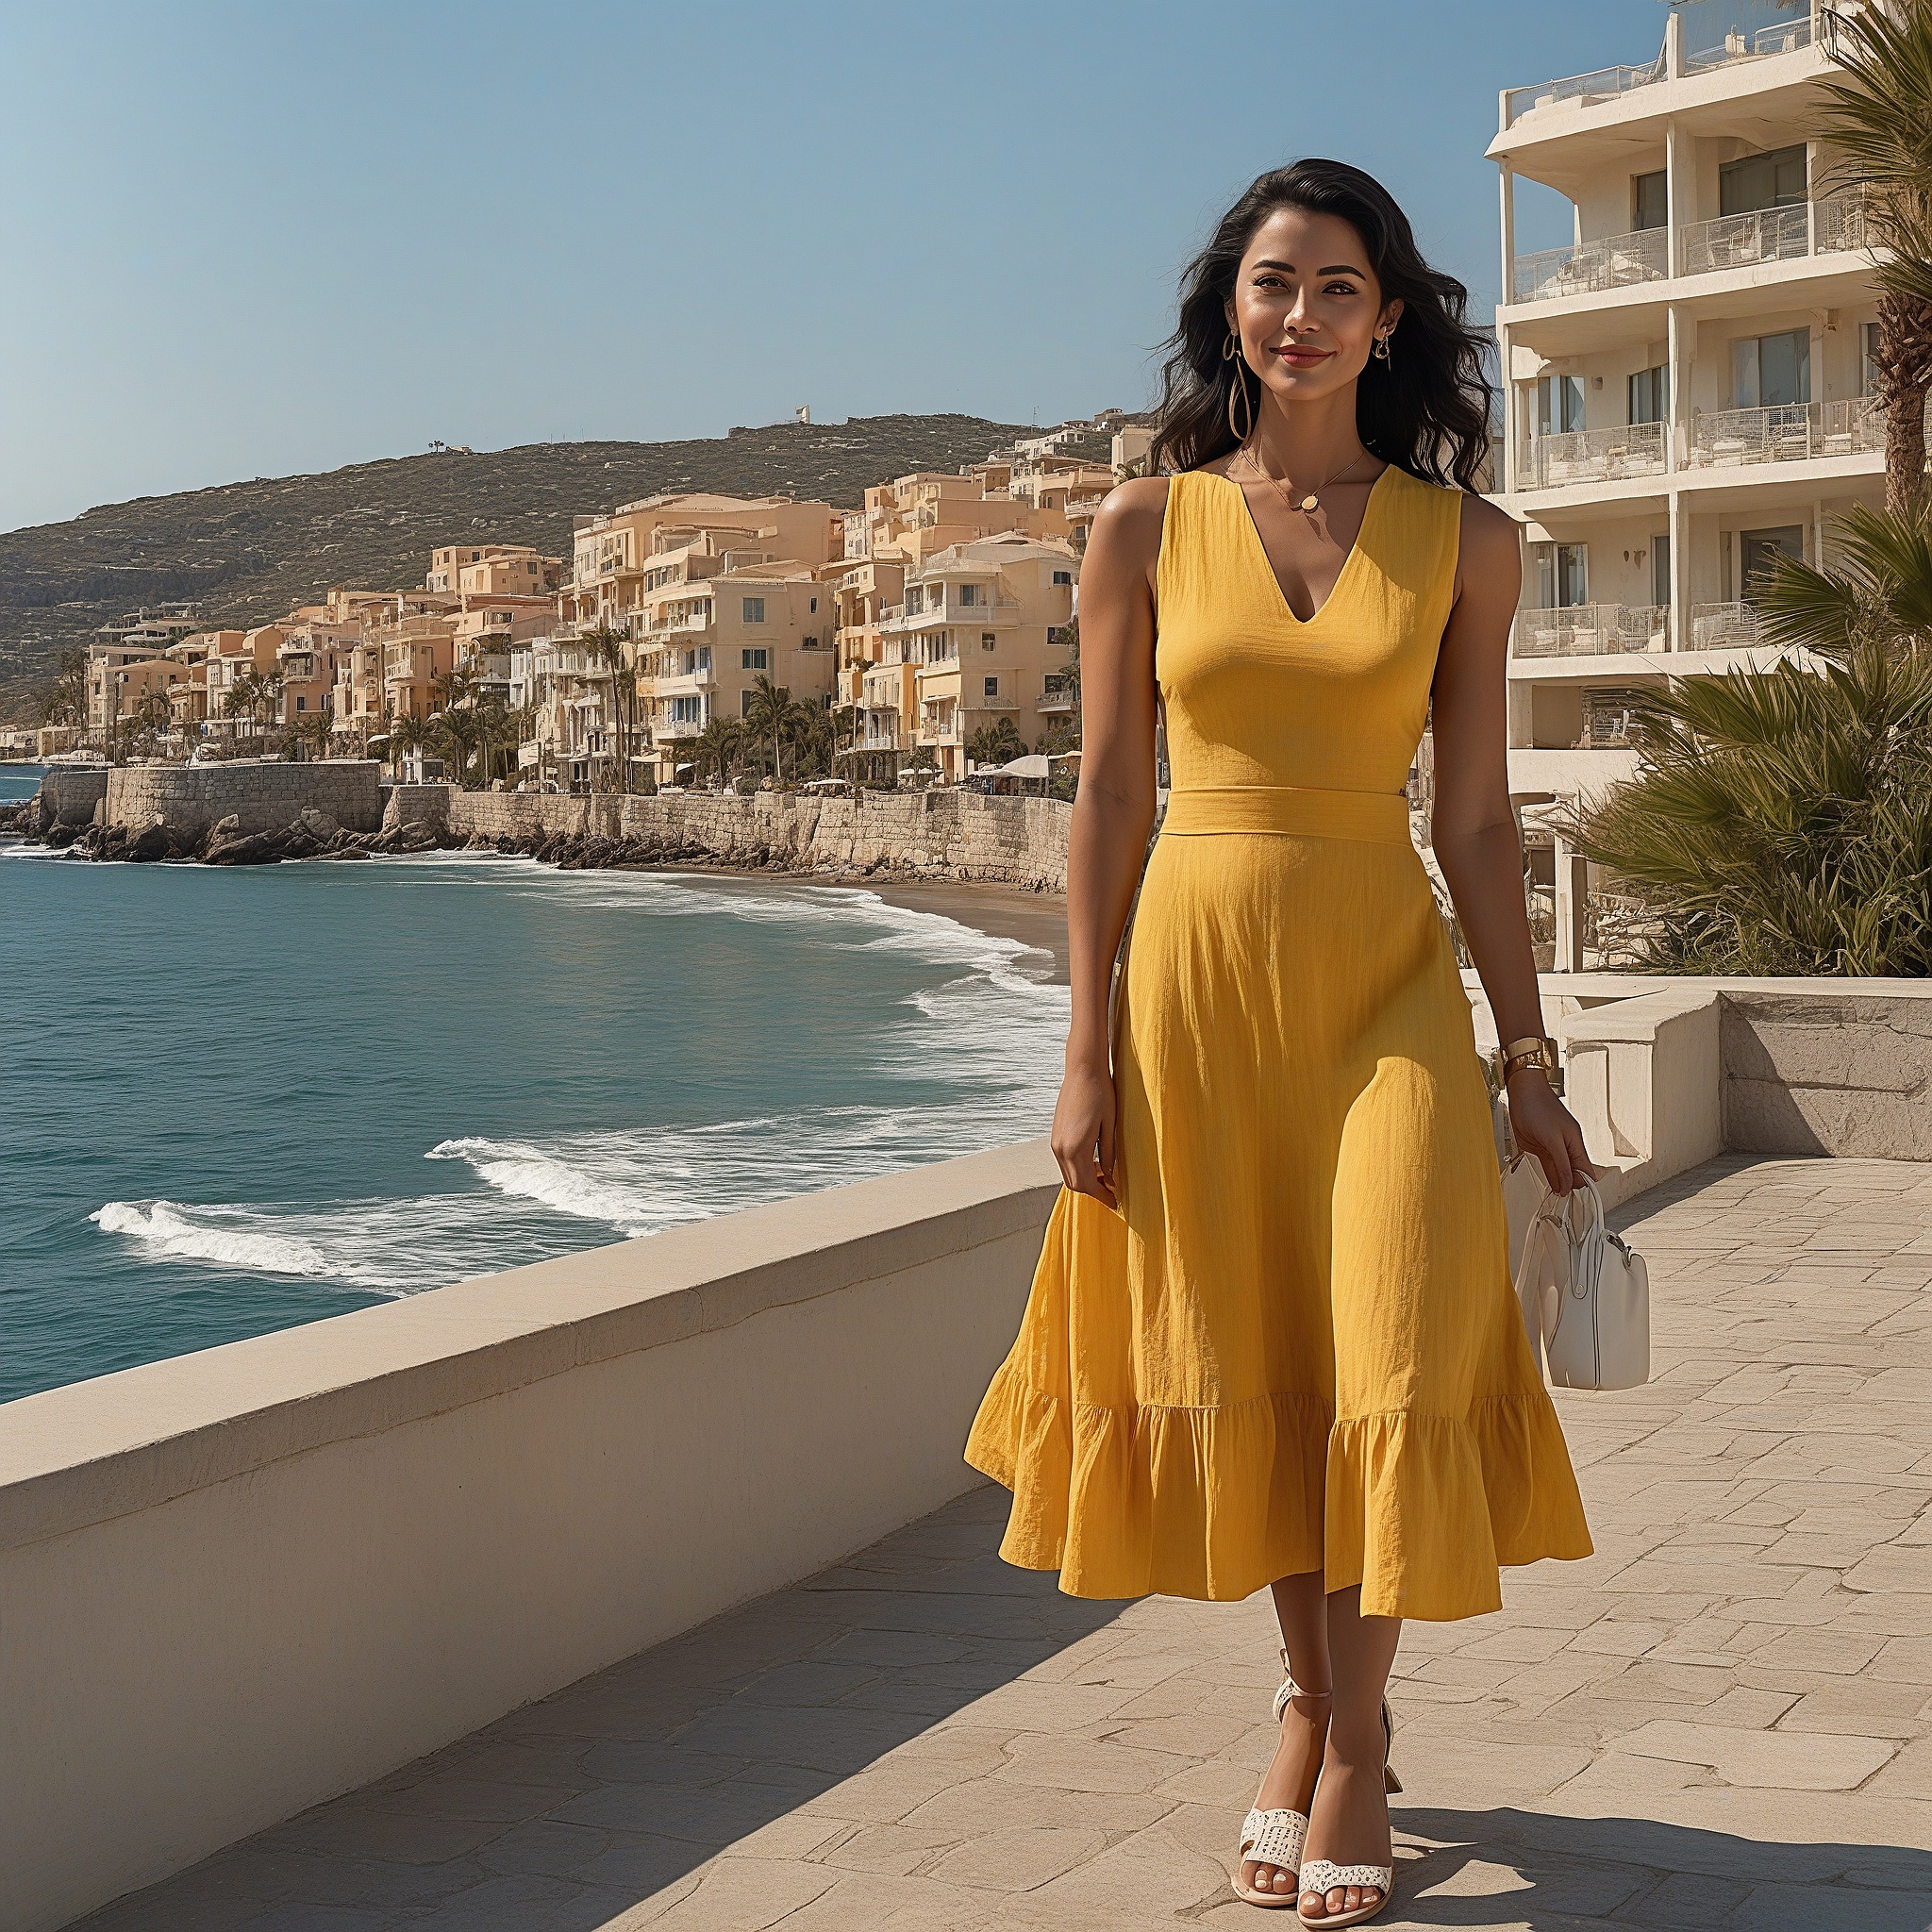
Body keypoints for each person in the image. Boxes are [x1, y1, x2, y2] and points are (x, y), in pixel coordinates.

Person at [965, 159, 1596, 1926]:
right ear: (1228, 309)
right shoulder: (1143, 528)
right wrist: (1084, 1046)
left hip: (1384, 985)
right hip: (1194, 992)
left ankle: (1354, 1728)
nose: (1300, 315)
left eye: (1336, 287)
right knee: (1277, 1359)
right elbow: (1104, 799)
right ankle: (1320, 1715)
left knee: (1389, 1350)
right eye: (1271, 283)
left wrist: (1531, 1068)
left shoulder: (1468, 544)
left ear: (1390, 318)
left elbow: (1473, 822)